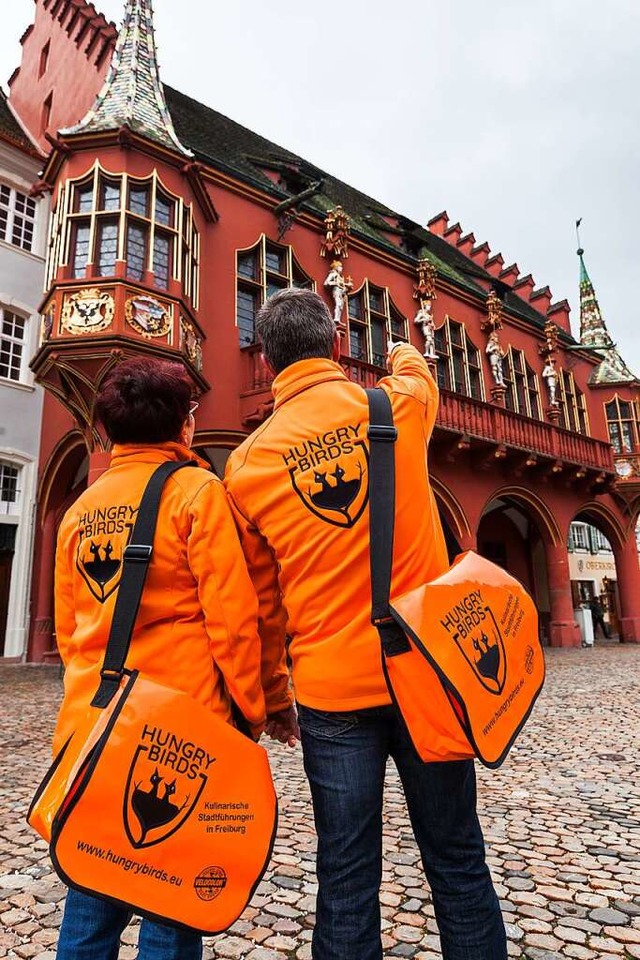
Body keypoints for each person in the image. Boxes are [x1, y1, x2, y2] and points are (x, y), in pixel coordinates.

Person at [224, 288, 507, 960]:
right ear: (337, 344)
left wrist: (271, 696)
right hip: (427, 677)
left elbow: (263, 603)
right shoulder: (397, 407)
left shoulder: (247, 465)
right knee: (459, 861)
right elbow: (417, 366)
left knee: (345, 877)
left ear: (266, 362)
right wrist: (396, 345)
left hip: (331, 695)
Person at [53, 357, 286, 960]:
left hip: (98, 727)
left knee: (93, 885)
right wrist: (253, 714)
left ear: (106, 431)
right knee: (171, 897)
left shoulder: (81, 509)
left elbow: (67, 631)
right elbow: (233, 620)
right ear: (184, 425)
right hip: (183, 727)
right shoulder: (197, 492)